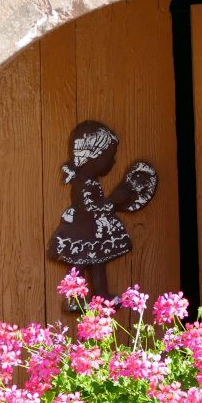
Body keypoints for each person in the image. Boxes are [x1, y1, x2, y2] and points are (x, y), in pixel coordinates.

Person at [48, 121, 151, 302]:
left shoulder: (88, 181)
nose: (113, 161)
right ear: (93, 157)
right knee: (80, 262)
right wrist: (112, 202)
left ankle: (101, 295)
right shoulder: (83, 183)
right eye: (109, 157)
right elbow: (89, 208)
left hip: (93, 230)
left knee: (97, 263)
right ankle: (74, 299)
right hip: (84, 232)